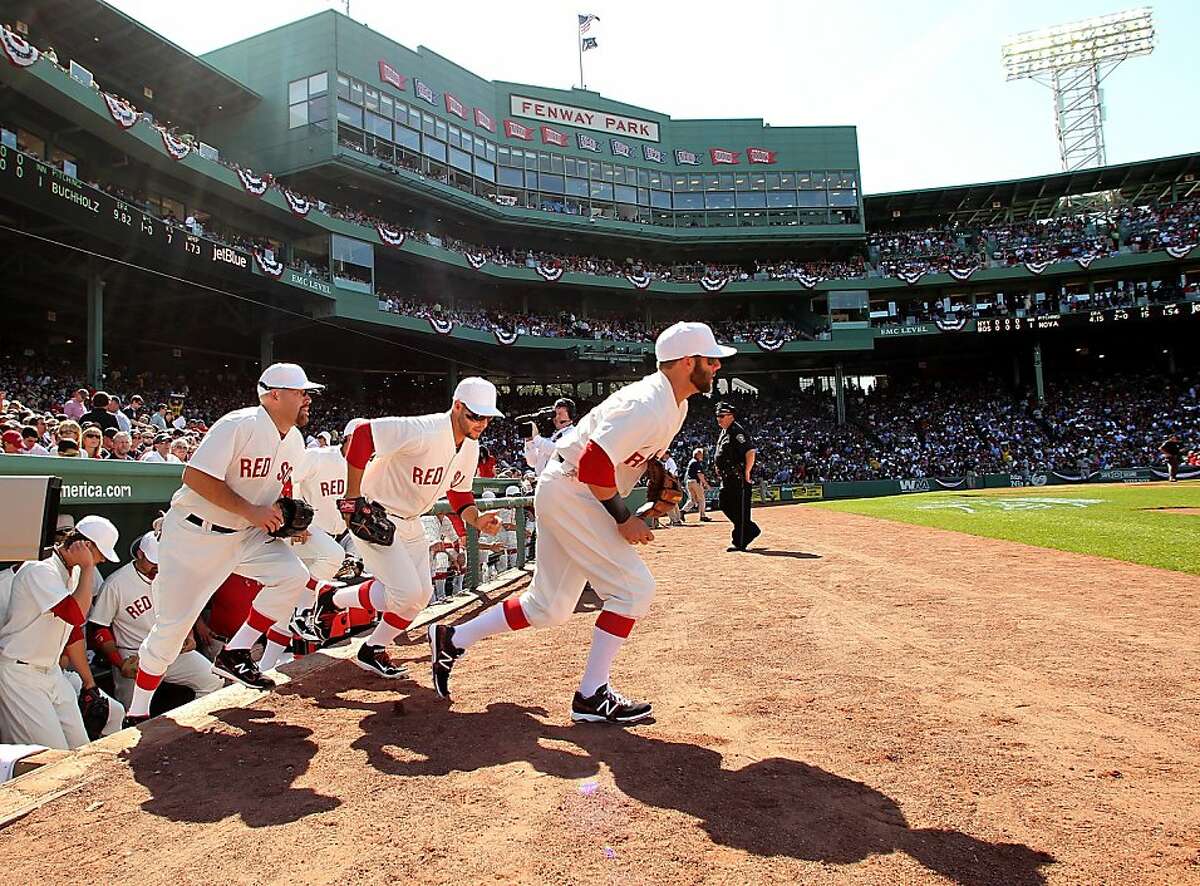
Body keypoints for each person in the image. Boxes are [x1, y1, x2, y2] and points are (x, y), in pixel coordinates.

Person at [429, 322, 734, 724]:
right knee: (634, 589)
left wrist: (656, 471)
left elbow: (624, 454)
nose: (716, 367)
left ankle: (453, 637)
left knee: (549, 607)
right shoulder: (647, 401)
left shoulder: (676, 404)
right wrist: (624, 518)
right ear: (686, 361)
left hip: (570, 489)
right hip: (574, 488)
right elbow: (593, 463)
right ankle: (591, 694)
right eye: (710, 359)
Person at [123, 362, 324, 727]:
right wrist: (252, 511)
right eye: (301, 392)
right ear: (274, 395)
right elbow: (195, 476)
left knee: (293, 575)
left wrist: (279, 515)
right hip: (195, 536)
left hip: (244, 534)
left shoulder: (294, 441)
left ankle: (235, 651)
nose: (308, 399)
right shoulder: (239, 424)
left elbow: (270, 496)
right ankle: (136, 713)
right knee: (171, 631)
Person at [317, 377, 503, 678]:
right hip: (377, 512)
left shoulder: (470, 446)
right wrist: (352, 497)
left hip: (411, 520)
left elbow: (459, 492)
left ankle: (359, 632)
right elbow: (363, 435)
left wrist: (476, 520)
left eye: (487, 417)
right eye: (475, 415)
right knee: (406, 593)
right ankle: (337, 607)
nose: (481, 423)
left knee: (418, 596)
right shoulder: (424, 429)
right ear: (457, 406)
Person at [0, 516, 119, 749]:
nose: (103, 559)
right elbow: (74, 614)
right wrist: (87, 567)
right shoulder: (39, 567)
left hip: (52, 671)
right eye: (100, 552)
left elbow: (72, 631)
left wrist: (89, 683)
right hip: (20, 673)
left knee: (80, 746)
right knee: (51, 755)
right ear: (85, 545)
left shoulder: (72, 570)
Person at [88, 533, 222, 709]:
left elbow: (181, 609)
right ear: (140, 554)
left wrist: (189, 636)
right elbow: (99, 627)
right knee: (131, 712)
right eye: (153, 561)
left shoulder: (170, 575)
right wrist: (119, 663)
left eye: (161, 562)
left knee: (213, 681)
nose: (157, 567)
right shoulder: (116, 584)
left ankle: (194, 733)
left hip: (171, 650)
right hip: (134, 656)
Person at [713, 401, 760, 552]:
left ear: (731, 416)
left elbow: (750, 451)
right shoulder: (725, 432)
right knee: (724, 504)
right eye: (717, 416)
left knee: (740, 510)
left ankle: (740, 541)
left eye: (721, 416)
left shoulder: (736, 431)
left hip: (738, 478)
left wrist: (747, 471)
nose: (718, 419)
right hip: (727, 478)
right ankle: (750, 529)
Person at [523, 397, 576, 476]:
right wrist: (529, 441)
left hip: (559, 481)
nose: (556, 417)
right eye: (555, 413)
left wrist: (536, 438)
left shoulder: (573, 433)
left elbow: (556, 450)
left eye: (560, 414)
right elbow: (532, 462)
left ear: (570, 416)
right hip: (541, 480)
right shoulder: (549, 434)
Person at [683, 447, 713, 522]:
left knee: (693, 500)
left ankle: (682, 511)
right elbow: (699, 475)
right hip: (695, 482)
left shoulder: (691, 461)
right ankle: (702, 515)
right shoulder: (696, 463)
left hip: (689, 482)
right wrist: (706, 484)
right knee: (701, 499)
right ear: (697, 455)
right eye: (701, 454)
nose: (702, 456)